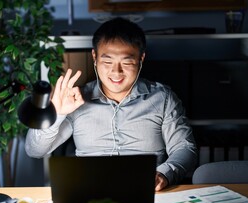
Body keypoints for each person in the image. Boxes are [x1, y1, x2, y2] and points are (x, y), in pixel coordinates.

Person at [25, 17, 198, 190]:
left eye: (127, 62)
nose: (116, 72)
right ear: (94, 56)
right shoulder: (76, 99)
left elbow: (185, 149)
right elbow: (35, 151)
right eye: (107, 62)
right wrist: (56, 113)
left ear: (141, 58)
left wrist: (163, 174)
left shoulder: (163, 98)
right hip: (89, 192)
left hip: (146, 192)